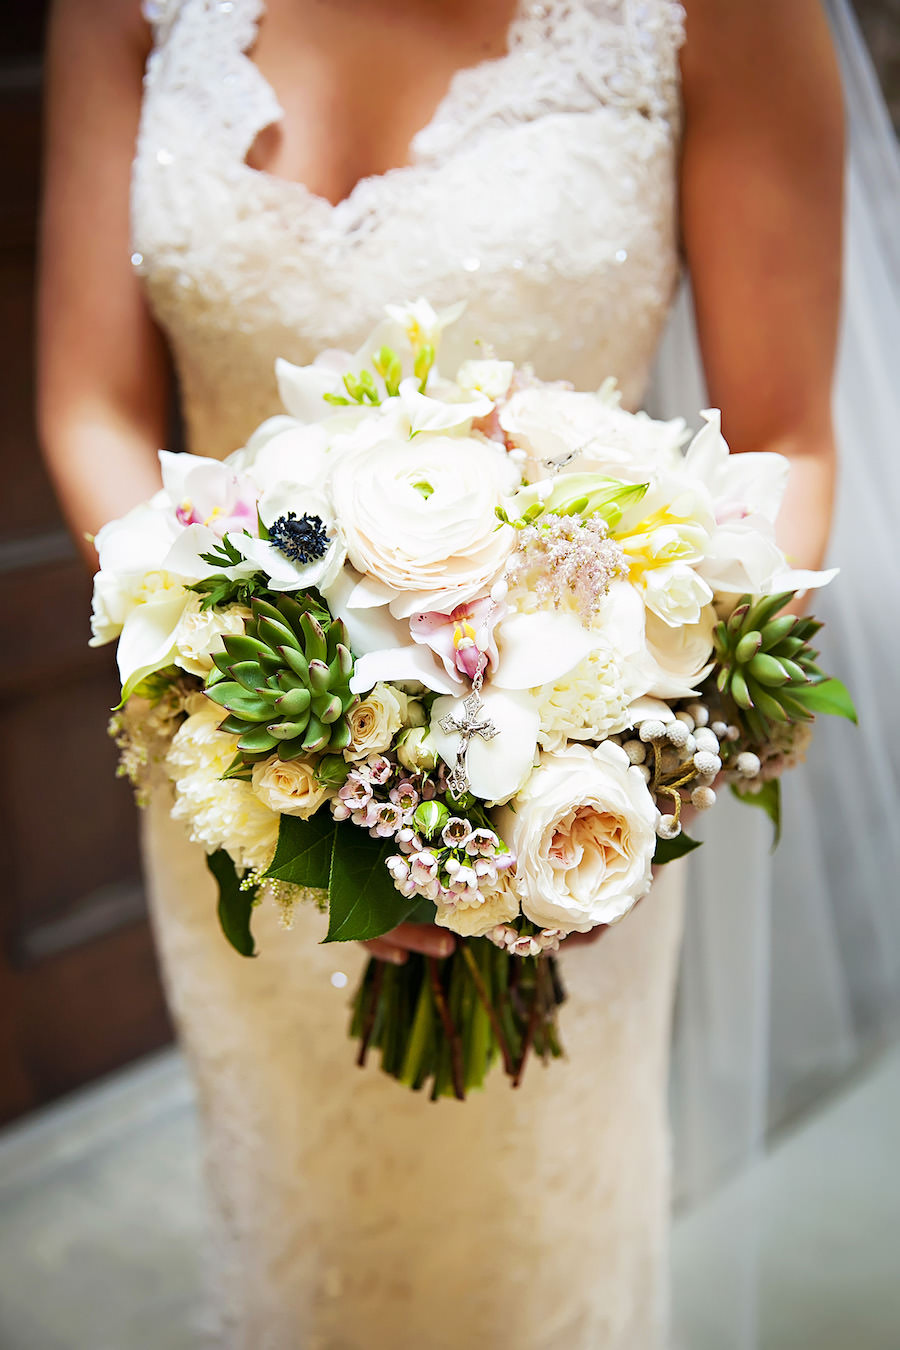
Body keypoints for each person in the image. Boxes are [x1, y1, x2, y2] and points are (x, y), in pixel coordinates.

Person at [37, 2, 844, 1346]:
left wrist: (622, 753)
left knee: (533, 1256)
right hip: (248, 759)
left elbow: (785, 437)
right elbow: (94, 407)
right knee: (292, 1231)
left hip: (561, 788)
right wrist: (241, 716)